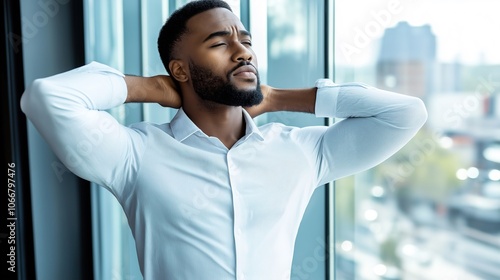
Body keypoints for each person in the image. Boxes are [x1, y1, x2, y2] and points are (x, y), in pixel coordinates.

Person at [21, 0, 427, 279]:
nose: (242, 51)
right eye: (220, 43)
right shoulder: (136, 154)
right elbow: (48, 97)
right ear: (180, 69)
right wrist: (149, 87)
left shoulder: (301, 151)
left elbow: (405, 114)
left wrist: (277, 98)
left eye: (245, 41)